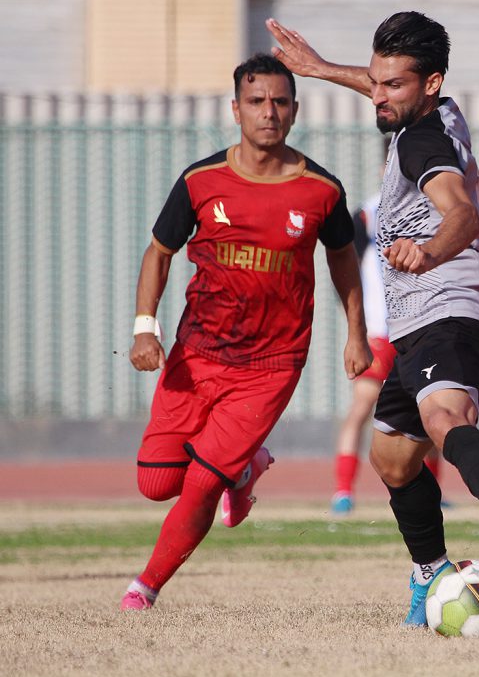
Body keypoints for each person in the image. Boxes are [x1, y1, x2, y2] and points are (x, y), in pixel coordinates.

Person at [267, 12, 479, 627]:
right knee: (392, 459)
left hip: (447, 313)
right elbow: (385, 84)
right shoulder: (436, 110)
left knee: (444, 419)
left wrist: (429, 250)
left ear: (431, 82)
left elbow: (462, 214)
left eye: (392, 85)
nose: (378, 93)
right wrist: (318, 69)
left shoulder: (423, 143)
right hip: (420, 322)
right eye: (375, 80)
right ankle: (429, 571)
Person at [121, 54, 372, 611]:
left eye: (280, 102)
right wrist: (145, 328)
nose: (269, 112)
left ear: (296, 110)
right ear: (236, 109)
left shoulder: (321, 189)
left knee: (204, 482)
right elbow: (159, 253)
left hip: (273, 363)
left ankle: (145, 588)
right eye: (257, 102)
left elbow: (343, 262)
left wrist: (356, 332)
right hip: (197, 354)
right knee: (156, 484)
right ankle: (248, 466)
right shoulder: (199, 180)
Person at [332, 189, 445, 514]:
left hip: (418, 326)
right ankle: (343, 491)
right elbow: (344, 266)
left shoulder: (434, 206)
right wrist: (356, 326)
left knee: (431, 409)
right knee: (362, 406)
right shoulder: (368, 212)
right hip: (381, 331)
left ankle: (433, 492)